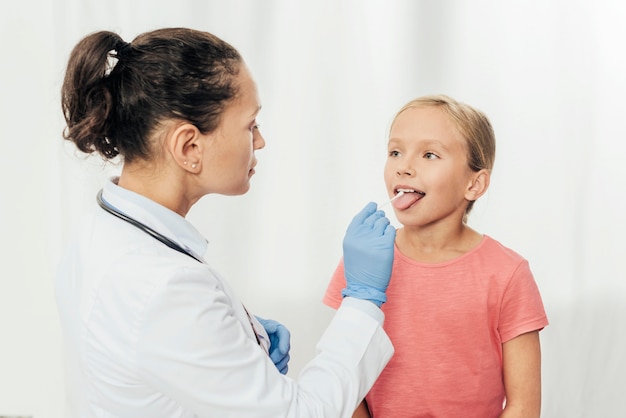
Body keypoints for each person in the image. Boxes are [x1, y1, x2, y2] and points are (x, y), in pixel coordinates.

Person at [56, 27, 398, 418]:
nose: (261, 141)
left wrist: (237, 335)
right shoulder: (163, 288)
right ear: (189, 147)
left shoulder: (102, 227)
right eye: (250, 125)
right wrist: (363, 300)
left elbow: (147, 353)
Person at [323, 95, 549, 418]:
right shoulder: (363, 263)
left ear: (474, 184)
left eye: (429, 154)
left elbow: (524, 406)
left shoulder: (508, 274)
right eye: (395, 152)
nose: (404, 166)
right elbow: (344, 380)